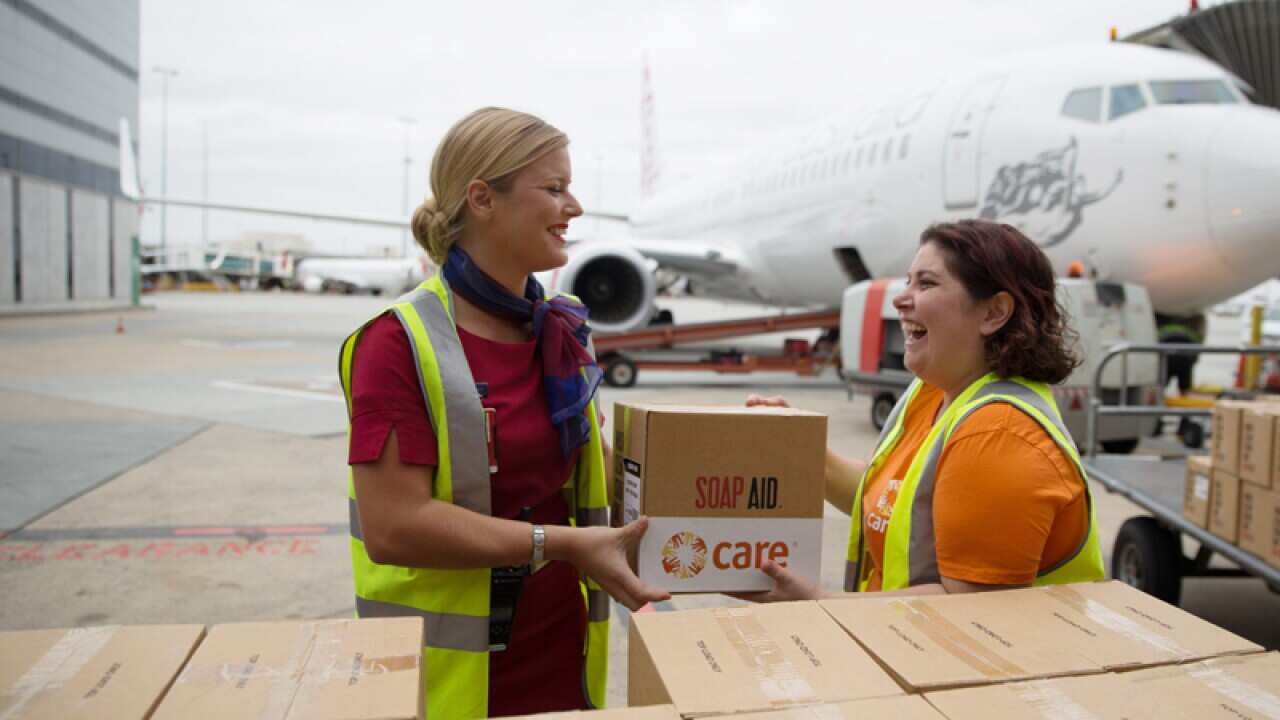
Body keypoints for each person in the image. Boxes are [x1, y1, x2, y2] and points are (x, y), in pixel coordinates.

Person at [338, 107, 669, 718]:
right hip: (450, 678)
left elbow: (584, 477)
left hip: (559, 653)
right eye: (555, 188)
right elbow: (393, 526)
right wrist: (565, 545)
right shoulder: (397, 342)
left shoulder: (561, 329)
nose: (574, 207)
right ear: (483, 199)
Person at [746, 219, 1105, 601]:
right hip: (905, 647)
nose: (900, 300)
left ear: (994, 312)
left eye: (927, 283)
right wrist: (798, 452)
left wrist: (816, 604)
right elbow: (892, 504)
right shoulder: (934, 393)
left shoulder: (999, 434)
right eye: (908, 281)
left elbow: (970, 609)